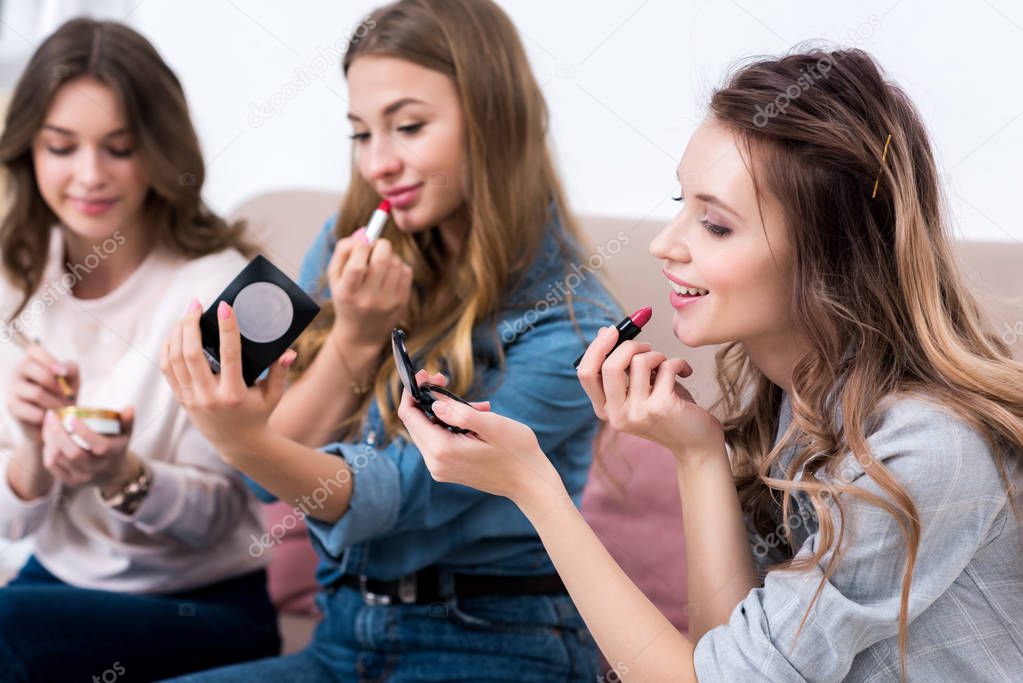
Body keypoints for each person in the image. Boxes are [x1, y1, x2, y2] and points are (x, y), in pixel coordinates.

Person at [399, 48, 1023, 681]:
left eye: (715, 226)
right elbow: (726, 658)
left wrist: (534, 489)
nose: (665, 244)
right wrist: (697, 454)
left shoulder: (923, 451)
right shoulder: (799, 407)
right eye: (681, 203)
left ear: (832, 254)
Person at [160, 0, 618, 680]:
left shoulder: (574, 324)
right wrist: (353, 336)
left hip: (498, 644)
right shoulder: (347, 248)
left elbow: (396, 500)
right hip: (342, 634)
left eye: (407, 126)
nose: (378, 163)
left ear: (494, 119)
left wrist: (243, 440)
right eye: (360, 133)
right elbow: (273, 473)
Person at [0, 18, 281, 682]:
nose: (89, 176)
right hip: (57, 578)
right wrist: (33, 448)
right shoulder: (17, 276)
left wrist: (120, 475)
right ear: (28, 152)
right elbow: (13, 524)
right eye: (61, 147)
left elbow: (227, 517)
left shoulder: (224, 290)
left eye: (119, 148)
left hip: (201, 603)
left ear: (159, 150)